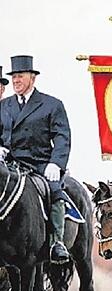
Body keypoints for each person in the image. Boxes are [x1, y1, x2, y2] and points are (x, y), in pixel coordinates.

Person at [0, 55, 71, 264]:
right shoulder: (4, 106)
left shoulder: (51, 105)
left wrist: (56, 163)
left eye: (20, 76)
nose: (16, 81)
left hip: (40, 165)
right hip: (10, 165)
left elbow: (62, 137)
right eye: (13, 78)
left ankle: (57, 243)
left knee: (56, 193)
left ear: (32, 78)